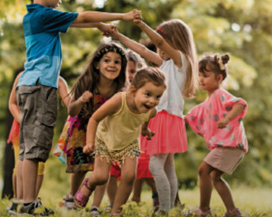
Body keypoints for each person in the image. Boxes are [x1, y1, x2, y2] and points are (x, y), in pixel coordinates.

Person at [17, 0, 141, 214]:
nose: (61, 0)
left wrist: (98, 27)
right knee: (35, 150)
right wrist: (123, 16)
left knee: (26, 149)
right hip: (41, 86)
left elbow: (78, 21)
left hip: (27, 86)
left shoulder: (32, 16)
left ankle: (22, 201)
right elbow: (82, 16)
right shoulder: (44, 15)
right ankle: (29, 203)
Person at [109, 18, 197, 215]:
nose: (159, 49)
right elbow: (143, 51)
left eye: (163, 43)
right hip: (161, 118)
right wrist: (118, 36)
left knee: (155, 165)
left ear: (175, 41)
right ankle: (172, 207)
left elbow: (159, 43)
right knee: (168, 167)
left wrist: (141, 24)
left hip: (167, 118)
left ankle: (164, 209)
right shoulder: (165, 64)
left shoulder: (180, 60)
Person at [73, 67, 167, 216]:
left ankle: (116, 211)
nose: (152, 101)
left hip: (129, 144)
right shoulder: (119, 100)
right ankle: (88, 183)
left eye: (157, 96)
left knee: (129, 176)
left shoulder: (151, 110)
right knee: (101, 176)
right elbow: (94, 118)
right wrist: (90, 142)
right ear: (133, 90)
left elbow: (146, 118)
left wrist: (144, 130)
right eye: (148, 94)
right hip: (105, 140)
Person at [54, 42, 128, 215]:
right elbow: (71, 110)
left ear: (122, 66)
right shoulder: (87, 81)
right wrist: (80, 100)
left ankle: (95, 206)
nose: (112, 65)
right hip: (81, 127)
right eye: (107, 60)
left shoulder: (121, 88)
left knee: (102, 168)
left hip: (105, 130)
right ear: (97, 64)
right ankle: (71, 196)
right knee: (81, 166)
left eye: (117, 62)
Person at [185, 53, 248, 217]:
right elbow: (191, 116)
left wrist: (227, 118)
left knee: (203, 171)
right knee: (214, 177)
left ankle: (204, 210)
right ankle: (232, 211)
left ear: (219, 77)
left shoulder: (220, 94)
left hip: (230, 145)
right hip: (230, 146)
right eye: (199, 75)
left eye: (205, 75)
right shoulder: (208, 101)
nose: (201, 79)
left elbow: (240, 104)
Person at [7, 71, 70, 215]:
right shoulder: (22, 76)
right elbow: (12, 103)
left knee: (39, 166)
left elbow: (69, 102)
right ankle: (17, 202)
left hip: (41, 130)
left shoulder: (58, 81)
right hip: (21, 130)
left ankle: (30, 202)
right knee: (20, 165)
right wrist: (23, 121)